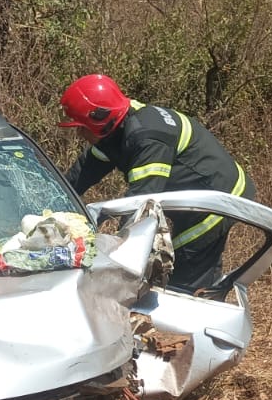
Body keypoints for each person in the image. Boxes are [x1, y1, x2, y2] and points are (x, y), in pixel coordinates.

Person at [59, 73, 253, 292]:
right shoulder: (115, 129)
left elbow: (140, 207)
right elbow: (82, 173)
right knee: (189, 273)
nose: (79, 134)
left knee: (183, 278)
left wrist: (112, 258)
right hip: (199, 196)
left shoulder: (148, 139)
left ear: (101, 118)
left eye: (82, 127)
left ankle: (195, 318)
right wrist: (54, 203)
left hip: (217, 199)